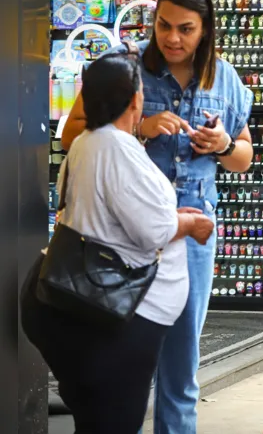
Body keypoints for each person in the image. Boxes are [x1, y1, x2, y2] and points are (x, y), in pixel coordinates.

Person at [60, 0, 254, 433]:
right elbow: (72, 135)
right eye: (164, 25)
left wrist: (224, 144)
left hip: (193, 238)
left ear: (205, 29)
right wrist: (140, 127)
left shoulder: (224, 77)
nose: (171, 38)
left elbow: (244, 158)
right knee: (119, 360)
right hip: (125, 235)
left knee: (182, 367)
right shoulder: (126, 71)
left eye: (185, 29)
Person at [21, 54, 215, 433]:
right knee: (115, 422)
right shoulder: (115, 147)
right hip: (116, 315)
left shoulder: (89, 143)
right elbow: (153, 231)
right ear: (134, 100)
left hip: (83, 307)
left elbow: (116, 215)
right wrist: (190, 223)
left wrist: (171, 214)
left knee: (96, 420)